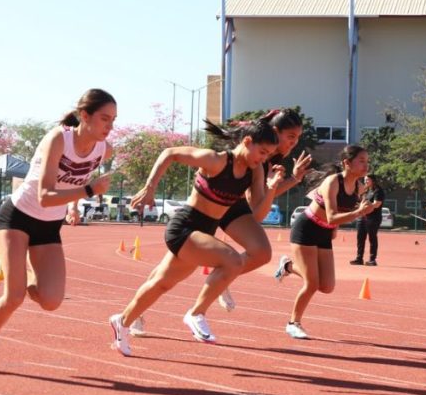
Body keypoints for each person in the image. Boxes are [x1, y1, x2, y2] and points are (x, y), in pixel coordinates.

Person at [0, 88, 116, 374]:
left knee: (51, 301)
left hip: (49, 226)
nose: (109, 127)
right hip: (18, 218)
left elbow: (78, 177)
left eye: (113, 120)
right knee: (14, 297)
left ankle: (12, 266)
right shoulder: (58, 139)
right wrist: (88, 192)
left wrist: (74, 206)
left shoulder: (103, 149)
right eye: (104, 119)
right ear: (85, 116)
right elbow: (45, 196)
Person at [129, 108, 311, 338]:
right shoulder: (251, 152)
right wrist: (150, 187)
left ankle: (223, 275)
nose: (294, 143)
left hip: (233, 203)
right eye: (291, 137)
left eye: (297, 138)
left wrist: (292, 179)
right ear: (274, 131)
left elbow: (261, 203)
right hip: (217, 201)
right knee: (167, 273)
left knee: (262, 252)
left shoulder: (266, 158)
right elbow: (255, 202)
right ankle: (138, 312)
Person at [108, 118, 279, 356]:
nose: (263, 158)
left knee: (161, 283)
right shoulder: (216, 160)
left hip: (204, 233)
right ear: (247, 141)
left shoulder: (255, 171)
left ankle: (122, 322)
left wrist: (272, 187)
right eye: (262, 152)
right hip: (185, 228)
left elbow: (257, 214)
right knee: (232, 260)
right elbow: (169, 153)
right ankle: (196, 313)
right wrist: (150, 187)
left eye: (268, 154)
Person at [272, 145, 376, 339]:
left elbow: (340, 213)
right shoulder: (332, 182)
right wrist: (358, 212)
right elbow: (332, 216)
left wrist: (336, 228)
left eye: (367, 161)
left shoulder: (360, 187)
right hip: (306, 228)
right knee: (311, 284)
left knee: (327, 286)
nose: (366, 165)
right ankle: (293, 323)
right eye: (361, 161)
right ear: (347, 163)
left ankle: (287, 266)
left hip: (325, 233)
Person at [350, 174, 385, 266]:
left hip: (373, 218)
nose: (365, 181)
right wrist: (359, 206)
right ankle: (359, 258)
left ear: (373, 180)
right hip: (362, 217)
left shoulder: (378, 191)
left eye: (367, 179)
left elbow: (377, 204)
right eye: (365, 179)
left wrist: (367, 206)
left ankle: (372, 259)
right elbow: (361, 202)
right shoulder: (366, 190)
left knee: (372, 238)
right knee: (360, 238)